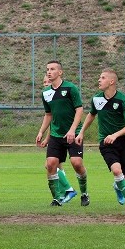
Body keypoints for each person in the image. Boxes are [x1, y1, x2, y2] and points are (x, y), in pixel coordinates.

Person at [76, 68, 125, 213]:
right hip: (106, 142)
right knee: (117, 171)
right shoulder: (96, 99)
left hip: (124, 142)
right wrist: (81, 133)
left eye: (103, 77)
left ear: (111, 82)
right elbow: (91, 115)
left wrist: (116, 135)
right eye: (99, 77)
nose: (99, 80)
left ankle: (118, 187)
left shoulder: (123, 100)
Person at [35, 60, 89, 207]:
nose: (49, 72)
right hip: (56, 136)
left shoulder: (71, 88)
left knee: (76, 163)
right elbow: (48, 114)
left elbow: (79, 109)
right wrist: (41, 132)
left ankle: (84, 193)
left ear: (60, 72)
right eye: (47, 69)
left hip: (73, 134)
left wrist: (72, 130)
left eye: (52, 69)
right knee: (51, 164)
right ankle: (57, 198)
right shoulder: (45, 93)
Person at [37, 75, 78, 204]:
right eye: (44, 82)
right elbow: (52, 122)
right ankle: (62, 194)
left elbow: (55, 123)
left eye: (48, 82)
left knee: (50, 165)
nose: (45, 84)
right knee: (56, 166)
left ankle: (67, 190)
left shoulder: (60, 97)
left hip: (63, 136)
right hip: (56, 136)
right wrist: (45, 137)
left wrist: (47, 138)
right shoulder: (48, 96)